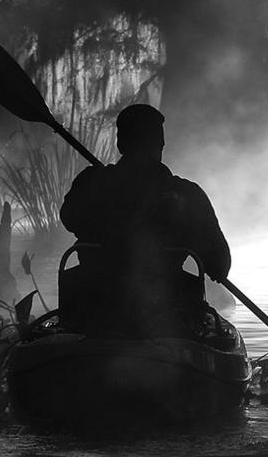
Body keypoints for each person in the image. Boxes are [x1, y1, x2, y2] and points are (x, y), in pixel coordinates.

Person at [59, 103, 231, 334]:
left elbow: (68, 217)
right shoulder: (188, 194)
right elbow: (219, 264)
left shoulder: (92, 183)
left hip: (93, 311)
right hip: (169, 315)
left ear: (120, 143)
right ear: (161, 143)